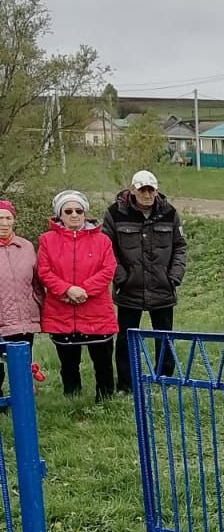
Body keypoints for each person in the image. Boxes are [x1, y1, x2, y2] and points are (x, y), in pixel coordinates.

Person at [102, 169, 187, 392]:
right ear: (132, 190)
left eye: (151, 190)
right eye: (142, 190)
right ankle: (126, 384)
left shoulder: (169, 213)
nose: (147, 195)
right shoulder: (114, 213)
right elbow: (106, 249)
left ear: (156, 190)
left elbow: (180, 247)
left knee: (164, 336)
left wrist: (174, 277)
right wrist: (121, 277)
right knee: (126, 339)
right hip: (129, 287)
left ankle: (165, 380)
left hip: (162, 285)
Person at [37, 190, 119, 401]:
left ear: (85, 213)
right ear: (60, 215)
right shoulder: (47, 240)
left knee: (102, 362)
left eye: (79, 210)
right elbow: (44, 271)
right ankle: (71, 399)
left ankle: (106, 400)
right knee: (68, 363)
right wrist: (66, 289)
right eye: (68, 211)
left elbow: (108, 269)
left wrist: (83, 290)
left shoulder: (102, 241)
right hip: (62, 311)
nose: (74, 215)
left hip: (96, 311)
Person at [0, 199, 42, 397]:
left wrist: (37, 304)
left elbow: (37, 281)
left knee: (22, 364)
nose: (4, 223)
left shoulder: (26, 247)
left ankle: (24, 400)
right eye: (0, 218)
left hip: (23, 317)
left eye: (8, 218)